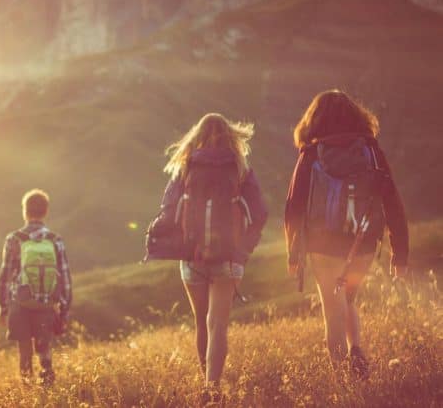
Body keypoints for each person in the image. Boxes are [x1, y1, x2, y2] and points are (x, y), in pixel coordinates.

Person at [285, 90, 408, 379]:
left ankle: (342, 380)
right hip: (362, 241)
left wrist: (294, 252)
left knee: (333, 306)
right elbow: (391, 199)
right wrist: (399, 252)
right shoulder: (370, 150)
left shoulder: (311, 153)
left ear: (313, 120)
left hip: (322, 242)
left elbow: (294, 205)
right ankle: (356, 349)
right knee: (347, 298)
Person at [155, 113, 267, 402]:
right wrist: (243, 251)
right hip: (229, 258)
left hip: (192, 258)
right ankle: (211, 387)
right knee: (218, 324)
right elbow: (261, 214)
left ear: (197, 135)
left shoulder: (185, 165)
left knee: (201, 322)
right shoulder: (240, 167)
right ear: (231, 136)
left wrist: (164, 239)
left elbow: (168, 210)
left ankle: (208, 384)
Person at [0, 189, 72, 386]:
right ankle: (48, 386)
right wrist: (64, 308)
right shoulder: (55, 239)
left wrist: (3, 307)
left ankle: (28, 393)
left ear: (25, 211)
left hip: (19, 303)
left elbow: (5, 276)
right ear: (45, 211)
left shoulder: (14, 238)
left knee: (25, 351)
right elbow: (64, 276)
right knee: (44, 349)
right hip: (46, 303)